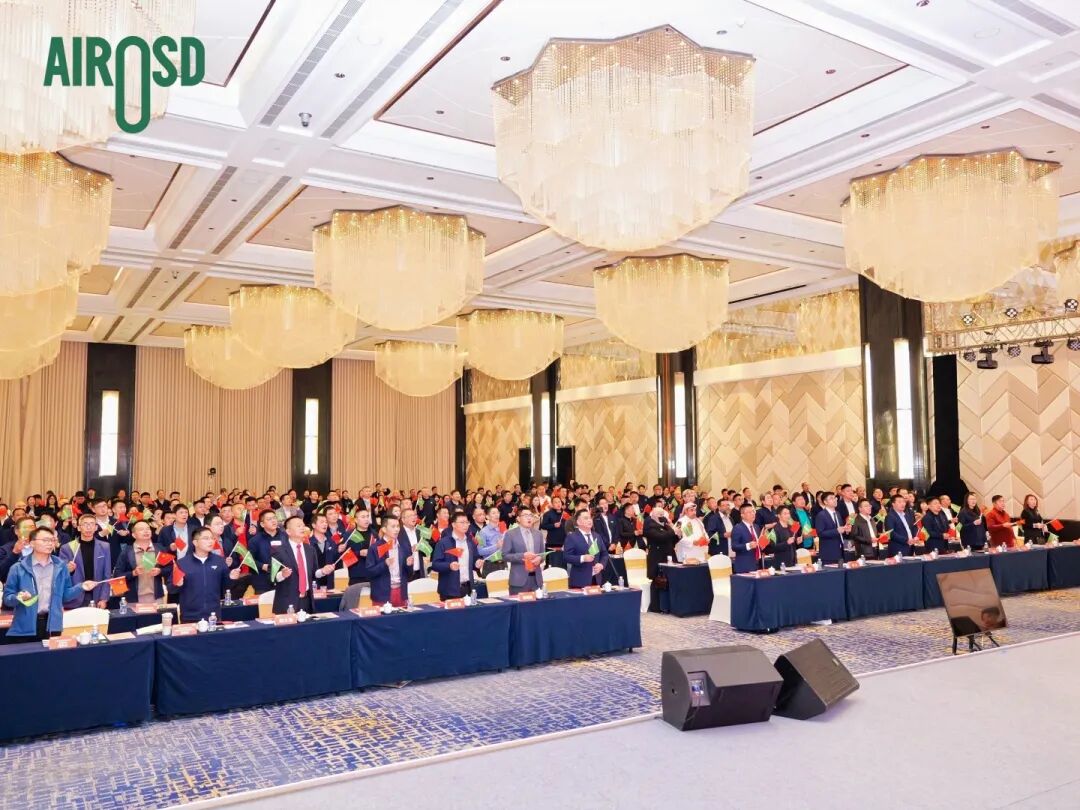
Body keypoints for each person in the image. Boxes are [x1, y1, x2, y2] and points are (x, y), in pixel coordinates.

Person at [2, 527, 96, 642]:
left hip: (52, 624)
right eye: (45, 540)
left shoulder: (61, 566)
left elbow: (65, 596)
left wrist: (81, 587)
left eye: (52, 540)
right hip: (25, 625)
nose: (50, 543)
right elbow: (7, 599)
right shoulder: (18, 568)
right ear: (32, 543)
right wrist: (19, 597)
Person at [175, 527, 241, 622]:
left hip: (213, 615)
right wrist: (177, 584)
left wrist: (231, 578)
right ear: (195, 543)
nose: (211, 541)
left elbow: (226, 586)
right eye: (206, 538)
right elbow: (171, 588)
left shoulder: (219, 561)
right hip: (189, 616)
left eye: (212, 538)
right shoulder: (182, 563)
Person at [271, 516, 334, 615]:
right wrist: (282, 575)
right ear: (288, 531)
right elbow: (272, 577)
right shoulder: (279, 550)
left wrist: (323, 571)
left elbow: (314, 573)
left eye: (303, 525)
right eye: (298, 526)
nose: (302, 528)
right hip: (287, 602)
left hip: (307, 600)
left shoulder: (310, 549)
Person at [59, 514, 112, 608]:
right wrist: (68, 570)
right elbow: (62, 575)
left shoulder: (104, 546)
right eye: (85, 524)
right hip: (75, 597)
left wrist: (103, 598)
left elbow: (107, 574)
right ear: (79, 528)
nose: (89, 527)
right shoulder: (67, 548)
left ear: (96, 527)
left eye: (92, 524)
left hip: (96, 595)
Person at [112, 520, 171, 604]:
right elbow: (117, 575)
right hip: (133, 600)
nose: (146, 531)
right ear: (134, 535)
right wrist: (133, 573)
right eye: (141, 529)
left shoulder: (159, 549)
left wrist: (160, 571)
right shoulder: (127, 552)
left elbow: (170, 568)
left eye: (148, 528)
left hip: (156, 599)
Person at [365, 515, 414, 607]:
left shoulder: (404, 546)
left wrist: (408, 565)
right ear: (384, 529)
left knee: (402, 616)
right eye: (393, 526)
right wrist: (384, 564)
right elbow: (369, 572)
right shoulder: (375, 548)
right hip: (382, 594)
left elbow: (410, 574)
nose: (396, 529)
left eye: (398, 526)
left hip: (401, 593)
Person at [431, 511, 482, 600]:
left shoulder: (470, 542)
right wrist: (449, 566)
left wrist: (477, 563)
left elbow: (474, 560)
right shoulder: (443, 543)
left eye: (467, 522)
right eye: (462, 522)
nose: (465, 525)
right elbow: (435, 565)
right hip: (449, 590)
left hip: (468, 587)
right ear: (453, 524)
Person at [502, 507, 546, 594]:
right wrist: (523, 556)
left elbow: (542, 554)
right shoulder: (510, 534)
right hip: (519, 580)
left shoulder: (538, 534)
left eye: (531, 515)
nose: (529, 518)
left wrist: (540, 558)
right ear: (518, 519)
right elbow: (505, 555)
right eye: (525, 515)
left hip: (536, 580)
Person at [563, 509, 609, 588]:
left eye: (590, 518)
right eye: (585, 518)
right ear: (578, 522)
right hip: (580, 581)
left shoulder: (597, 536)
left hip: (596, 579)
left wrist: (601, 565)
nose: (589, 520)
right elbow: (566, 557)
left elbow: (604, 554)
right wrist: (582, 558)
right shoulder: (572, 537)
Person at [730, 503, 767, 574]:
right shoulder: (737, 528)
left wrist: (763, 543)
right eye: (749, 512)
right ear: (742, 515)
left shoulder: (756, 527)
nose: (753, 514)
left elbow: (758, 544)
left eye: (753, 511)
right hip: (744, 565)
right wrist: (748, 545)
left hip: (757, 563)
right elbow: (734, 546)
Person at [813, 492, 848, 565]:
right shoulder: (821, 515)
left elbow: (840, 530)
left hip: (840, 550)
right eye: (831, 498)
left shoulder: (837, 513)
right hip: (828, 553)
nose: (835, 500)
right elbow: (820, 533)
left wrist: (845, 530)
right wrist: (836, 531)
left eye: (835, 498)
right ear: (825, 502)